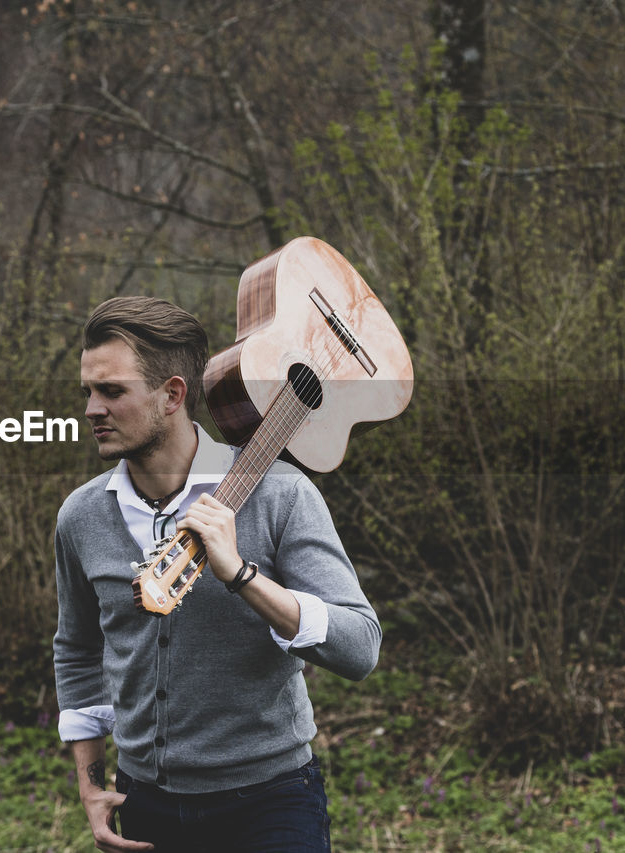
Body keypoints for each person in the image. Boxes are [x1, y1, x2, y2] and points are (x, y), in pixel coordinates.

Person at [53, 296, 382, 852]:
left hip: (271, 803)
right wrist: (89, 783)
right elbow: (78, 651)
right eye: (87, 390)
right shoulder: (81, 517)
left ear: (172, 395)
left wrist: (241, 576)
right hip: (146, 806)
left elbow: (359, 647)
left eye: (112, 391)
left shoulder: (281, 495)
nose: (91, 408)